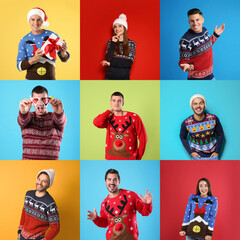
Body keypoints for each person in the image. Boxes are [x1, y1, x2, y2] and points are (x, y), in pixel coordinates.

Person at [87, 169, 153, 240]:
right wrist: (95, 219)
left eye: (115, 179)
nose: (112, 182)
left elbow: (145, 212)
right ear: (105, 182)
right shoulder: (104, 204)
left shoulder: (131, 195)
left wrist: (147, 203)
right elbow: (105, 223)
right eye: (109, 179)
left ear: (119, 181)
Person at [17, 7, 70, 80]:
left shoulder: (52, 36)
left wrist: (63, 53)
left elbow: (64, 59)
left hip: (50, 80)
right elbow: (19, 66)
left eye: (39, 20)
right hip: (30, 81)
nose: (35, 23)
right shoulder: (24, 40)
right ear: (29, 21)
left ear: (42, 21)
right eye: (33, 19)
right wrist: (34, 58)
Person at [93, 92, 147, 160]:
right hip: (111, 158)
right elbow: (96, 122)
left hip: (130, 159)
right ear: (110, 102)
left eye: (119, 101)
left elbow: (143, 138)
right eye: (114, 100)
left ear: (123, 103)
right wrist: (108, 111)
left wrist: (138, 157)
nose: (116, 103)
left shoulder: (134, 117)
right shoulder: (108, 118)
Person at [17, 85, 67, 160]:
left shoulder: (55, 118)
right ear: (31, 101)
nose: (40, 103)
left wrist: (59, 113)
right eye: (36, 100)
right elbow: (22, 121)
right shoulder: (28, 117)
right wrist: (23, 113)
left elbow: (61, 121)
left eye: (44, 99)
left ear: (48, 100)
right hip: (27, 166)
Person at [179, 8, 225, 80]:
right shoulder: (185, 40)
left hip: (210, 76)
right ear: (189, 22)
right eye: (192, 21)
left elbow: (207, 45)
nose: (195, 23)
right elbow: (183, 61)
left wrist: (215, 35)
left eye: (197, 20)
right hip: (196, 79)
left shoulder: (204, 30)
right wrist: (188, 66)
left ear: (202, 20)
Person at [18, 169, 60, 240]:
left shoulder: (50, 204)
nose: (40, 183)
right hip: (22, 236)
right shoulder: (28, 194)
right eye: (39, 179)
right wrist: (19, 230)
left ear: (49, 184)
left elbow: (55, 227)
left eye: (44, 181)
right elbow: (24, 212)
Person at [180, 94, 224, 160]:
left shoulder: (213, 118)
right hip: (197, 157)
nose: (198, 106)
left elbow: (221, 134)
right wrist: (191, 152)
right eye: (195, 104)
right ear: (192, 106)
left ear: (204, 105)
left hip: (213, 156)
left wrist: (217, 152)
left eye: (201, 103)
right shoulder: (186, 123)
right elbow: (182, 137)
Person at [101, 14, 136, 80]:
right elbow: (108, 58)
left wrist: (110, 63)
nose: (117, 29)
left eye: (120, 26)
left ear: (124, 28)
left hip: (124, 79)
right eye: (115, 27)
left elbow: (128, 62)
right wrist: (113, 42)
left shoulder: (131, 43)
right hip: (109, 78)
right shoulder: (110, 42)